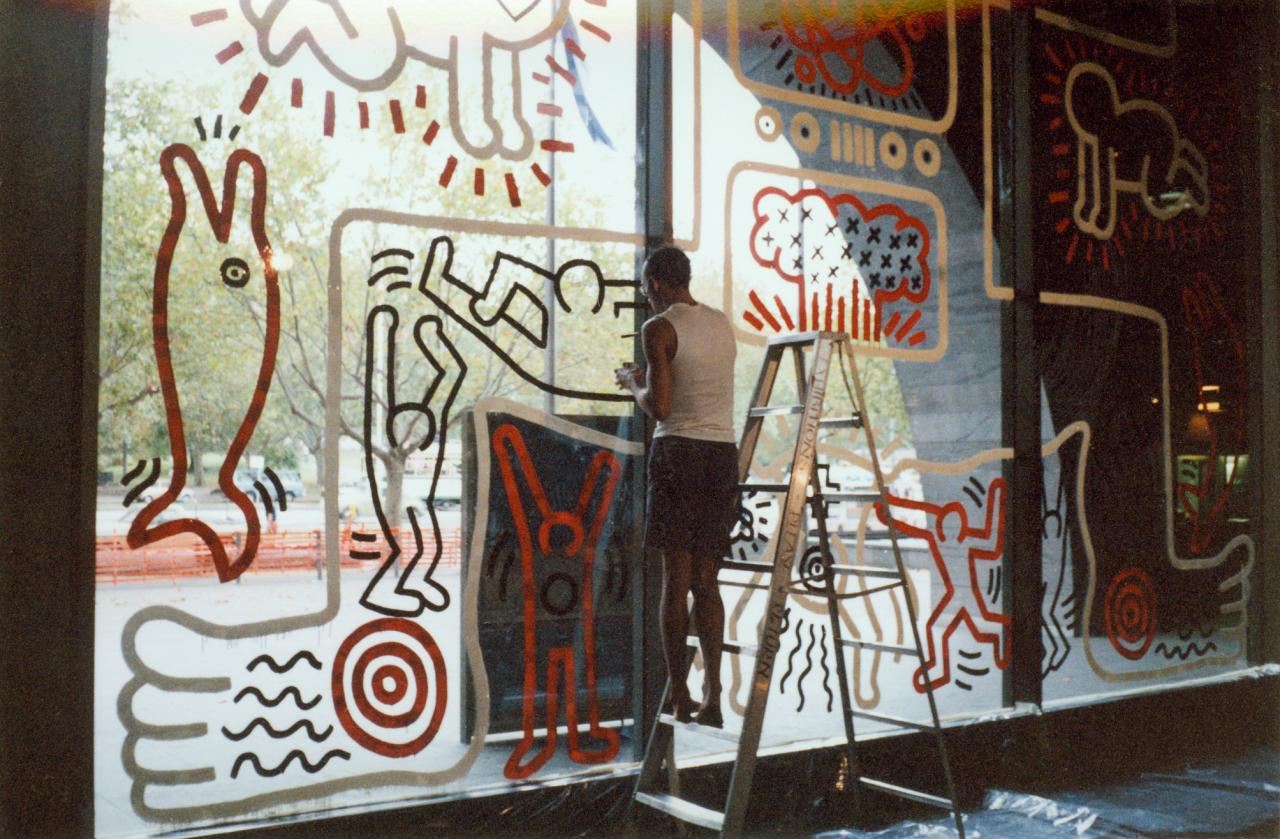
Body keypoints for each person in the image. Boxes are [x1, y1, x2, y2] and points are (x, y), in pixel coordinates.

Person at [614, 245, 737, 728]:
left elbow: (661, 406)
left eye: (646, 284)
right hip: (721, 455)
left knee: (676, 582)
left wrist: (631, 382)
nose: (646, 293)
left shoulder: (658, 328)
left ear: (657, 283)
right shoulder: (721, 323)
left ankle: (680, 695)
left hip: (679, 455)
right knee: (708, 582)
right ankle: (715, 695)